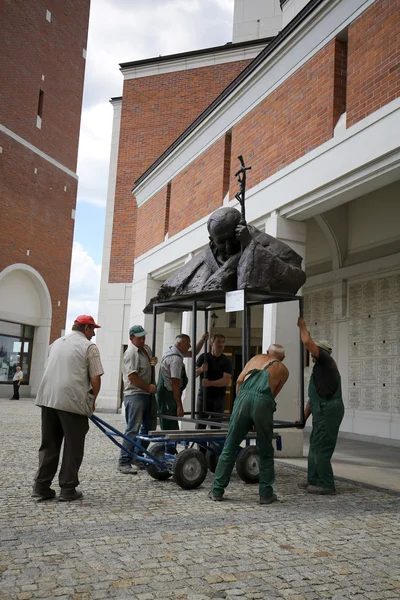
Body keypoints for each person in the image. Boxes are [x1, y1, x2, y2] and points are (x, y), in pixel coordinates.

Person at [145, 207, 306, 312]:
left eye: (232, 239)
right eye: (221, 242)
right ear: (211, 239)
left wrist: (250, 245)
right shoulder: (204, 257)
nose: (228, 246)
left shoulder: (263, 243)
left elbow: (296, 275)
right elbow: (173, 287)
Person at [32, 315, 104, 502]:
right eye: (93, 329)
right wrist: (92, 400)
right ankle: (68, 488)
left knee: (49, 444)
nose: (94, 333)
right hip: (73, 402)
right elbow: (96, 378)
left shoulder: (56, 343)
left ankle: (41, 486)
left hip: (48, 399)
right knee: (73, 446)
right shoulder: (89, 347)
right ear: (86, 329)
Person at [210, 344, 289, 504]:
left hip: (243, 399)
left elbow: (239, 380)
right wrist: (257, 417)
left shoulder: (255, 359)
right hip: (263, 402)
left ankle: (217, 490)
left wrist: (240, 403)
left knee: (230, 447)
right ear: (282, 358)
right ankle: (265, 494)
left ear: (266, 352)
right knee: (266, 449)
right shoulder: (283, 370)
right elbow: (272, 394)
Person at [297, 317, 344, 495]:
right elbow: (312, 399)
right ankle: (313, 479)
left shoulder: (327, 363)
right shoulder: (319, 370)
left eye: (315, 351)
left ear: (322, 353)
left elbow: (307, 342)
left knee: (322, 446)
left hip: (328, 411)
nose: (311, 354)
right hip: (320, 410)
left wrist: (303, 327)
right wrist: (303, 418)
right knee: (314, 445)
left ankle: (325, 484)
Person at [118, 325, 158, 475]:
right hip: (135, 394)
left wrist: (153, 360)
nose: (142, 339)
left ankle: (138, 456)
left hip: (147, 394)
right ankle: (124, 461)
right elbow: (132, 377)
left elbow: (150, 363)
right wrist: (148, 387)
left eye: (143, 337)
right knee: (133, 429)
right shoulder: (131, 353)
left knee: (150, 426)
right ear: (131, 338)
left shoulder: (146, 349)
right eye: (139, 337)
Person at [157, 333, 208, 430]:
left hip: (166, 394)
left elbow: (193, 353)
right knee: (170, 427)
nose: (189, 346)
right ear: (179, 345)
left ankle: (167, 445)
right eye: (187, 344)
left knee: (169, 423)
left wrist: (202, 340)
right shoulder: (175, 359)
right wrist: (180, 406)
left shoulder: (172, 351)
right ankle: (168, 445)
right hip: (168, 394)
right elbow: (175, 384)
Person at [196, 334, 232, 429]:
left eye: (223, 342)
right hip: (203, 396)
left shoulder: (227, 361)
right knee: (200, 424)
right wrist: (201, 369)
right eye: (218, 341)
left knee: (216, 425)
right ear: (212, 343)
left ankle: (214, 444)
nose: (221, 344)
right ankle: (201, 444)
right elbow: (193, 374)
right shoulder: (203, 357)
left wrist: (210, 383)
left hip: (218, 397)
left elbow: (226, 381)